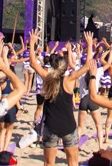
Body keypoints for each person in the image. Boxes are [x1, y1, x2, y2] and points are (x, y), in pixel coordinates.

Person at [29, 29, 92, 166]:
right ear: (66, 68)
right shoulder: (69, 80)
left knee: (49, 163)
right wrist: (90, 44)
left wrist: (32, 43)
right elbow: (88, 66)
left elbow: (33, 63)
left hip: (51, 126)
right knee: (73, 162)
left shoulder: (48, 78)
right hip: (68, 125)